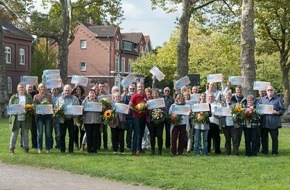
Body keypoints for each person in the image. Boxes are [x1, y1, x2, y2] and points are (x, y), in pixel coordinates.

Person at [259, 85, 285, 156]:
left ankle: (274, 152)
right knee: (264, 138)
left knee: (274, 138)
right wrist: (260, 111)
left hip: (274, 122)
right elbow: (259, 109)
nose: (270, 91)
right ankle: (264, 151)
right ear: (266, 91)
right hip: (264, 122)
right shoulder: (263, 99)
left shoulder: (278, 99)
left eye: (271, 90)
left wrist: (276, 112)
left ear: (274, 91)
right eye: (268, 90)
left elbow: (282, 109)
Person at [8, 83, 33, 154]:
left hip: (26, 118)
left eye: (22, 87)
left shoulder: (28, 97)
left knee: (25, 134)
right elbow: (10, 108)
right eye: (19, 87)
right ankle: (11, 149)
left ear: (24, 89)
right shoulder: (13, 97)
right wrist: (14, 110)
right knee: (14, 134)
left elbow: (32, 105)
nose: (21, 89)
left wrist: (30, 109)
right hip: (16, 118)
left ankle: (26, 148)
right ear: (17, 89)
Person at [56, 84, 80, 153]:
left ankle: (71, 150)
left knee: (72, 135)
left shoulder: (75, 99)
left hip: (72, 119)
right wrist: (58, 113)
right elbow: (56, 108)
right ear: (63, 91)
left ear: (71, 91)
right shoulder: (59, 99)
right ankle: (62, 150)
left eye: (68, 90)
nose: (67, 92)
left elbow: (78, 109)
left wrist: (75, 114)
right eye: (66, 90)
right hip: (62, 119)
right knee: (62, 135)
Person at [33, 83, 53, 154]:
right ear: (38, 88)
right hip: (39, 117)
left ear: (46, 88)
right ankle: (39, 148)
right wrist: (38, 110)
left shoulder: (49, 96)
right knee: (40, 133)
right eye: (41, 87)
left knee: (48, 133)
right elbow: (34, 107)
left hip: (47, 116)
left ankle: (48, 148)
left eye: (44, 87)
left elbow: (51, 106)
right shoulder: (36, 96)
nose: (42, 88)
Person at [129, 82, 147, 156]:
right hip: (136, 117)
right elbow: (130, 105)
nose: (140, 88)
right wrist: (136, 110)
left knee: (141, 134)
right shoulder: (134, 96)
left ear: (143, 87)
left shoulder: (145, 95)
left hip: (143, 117)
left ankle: (139, 148)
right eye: (139, 87)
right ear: (137, 88)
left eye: (142, 87)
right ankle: (134, 150)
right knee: (137, 134)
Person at [82, 89, 101, 153]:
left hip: (97, 120)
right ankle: (89, 149)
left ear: (95, 95)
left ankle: (95, 149)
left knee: (95, 135)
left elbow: (102, 110)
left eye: (93, 93)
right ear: (88, 94)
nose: (92, 94)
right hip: (87, 120)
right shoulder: (85, 102)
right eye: (90, 93)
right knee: (89, 135)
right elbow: (81, 110)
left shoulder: (99, 102)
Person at [222, 91, 241, 156]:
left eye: (229, 96)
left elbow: (238, 113)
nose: (228, 97)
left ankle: (236, 152)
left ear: (231, 97)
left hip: (233, 124)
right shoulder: (222, 104)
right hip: (225, 124)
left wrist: (234, 113)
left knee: (235, 138)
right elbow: (219, 113)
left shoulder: (235, 104)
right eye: (226, 96)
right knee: (227, 139)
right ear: (225, 97)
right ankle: (228, 152)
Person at [147, 89, 165, 155]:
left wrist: (160, 112)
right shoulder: (149, 101)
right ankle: (153, 150)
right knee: (152, 136)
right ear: (152, 94)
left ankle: (160, 150)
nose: (155, 95)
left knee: (159, 135)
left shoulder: (161, 101)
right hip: (151, 121)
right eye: (153, 94)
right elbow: (146, 111)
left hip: (160, 121)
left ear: (158, 94)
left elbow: (164, 110)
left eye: (156, 93)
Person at [121, 84, 135, 150]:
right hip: (129, 117)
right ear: (128, 90)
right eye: (130, 89)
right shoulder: (126, 97)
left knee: (136, 133)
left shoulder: (136, 96)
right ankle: (128, 145)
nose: (132, 90)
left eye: (133, 89)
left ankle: (135, 145)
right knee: (129, 133)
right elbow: (122, 103)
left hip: (136, 117)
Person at [71, 85, 86, 150]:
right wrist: (75, 86)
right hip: (75, 116)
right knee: (75, 131)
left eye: (79, 89)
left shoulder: (84, 97)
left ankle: (81, 145)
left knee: (82, 131)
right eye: (77, 89)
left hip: (82, 116)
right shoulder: (73, 97)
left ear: (81, 90)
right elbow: (70, 92)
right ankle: (76, 144)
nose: (78, 90)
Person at [25, 84, 38, 149]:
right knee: (24, 131)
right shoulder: (23, 95)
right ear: (26, 88)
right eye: (28, 87)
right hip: (25, 116)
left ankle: (35, 145)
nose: (30, 88)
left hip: (33, 116)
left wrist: (43, 79)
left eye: (31, 87)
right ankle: (23, 145)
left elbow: (40, 89)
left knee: (34, 131)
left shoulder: (34, 94)